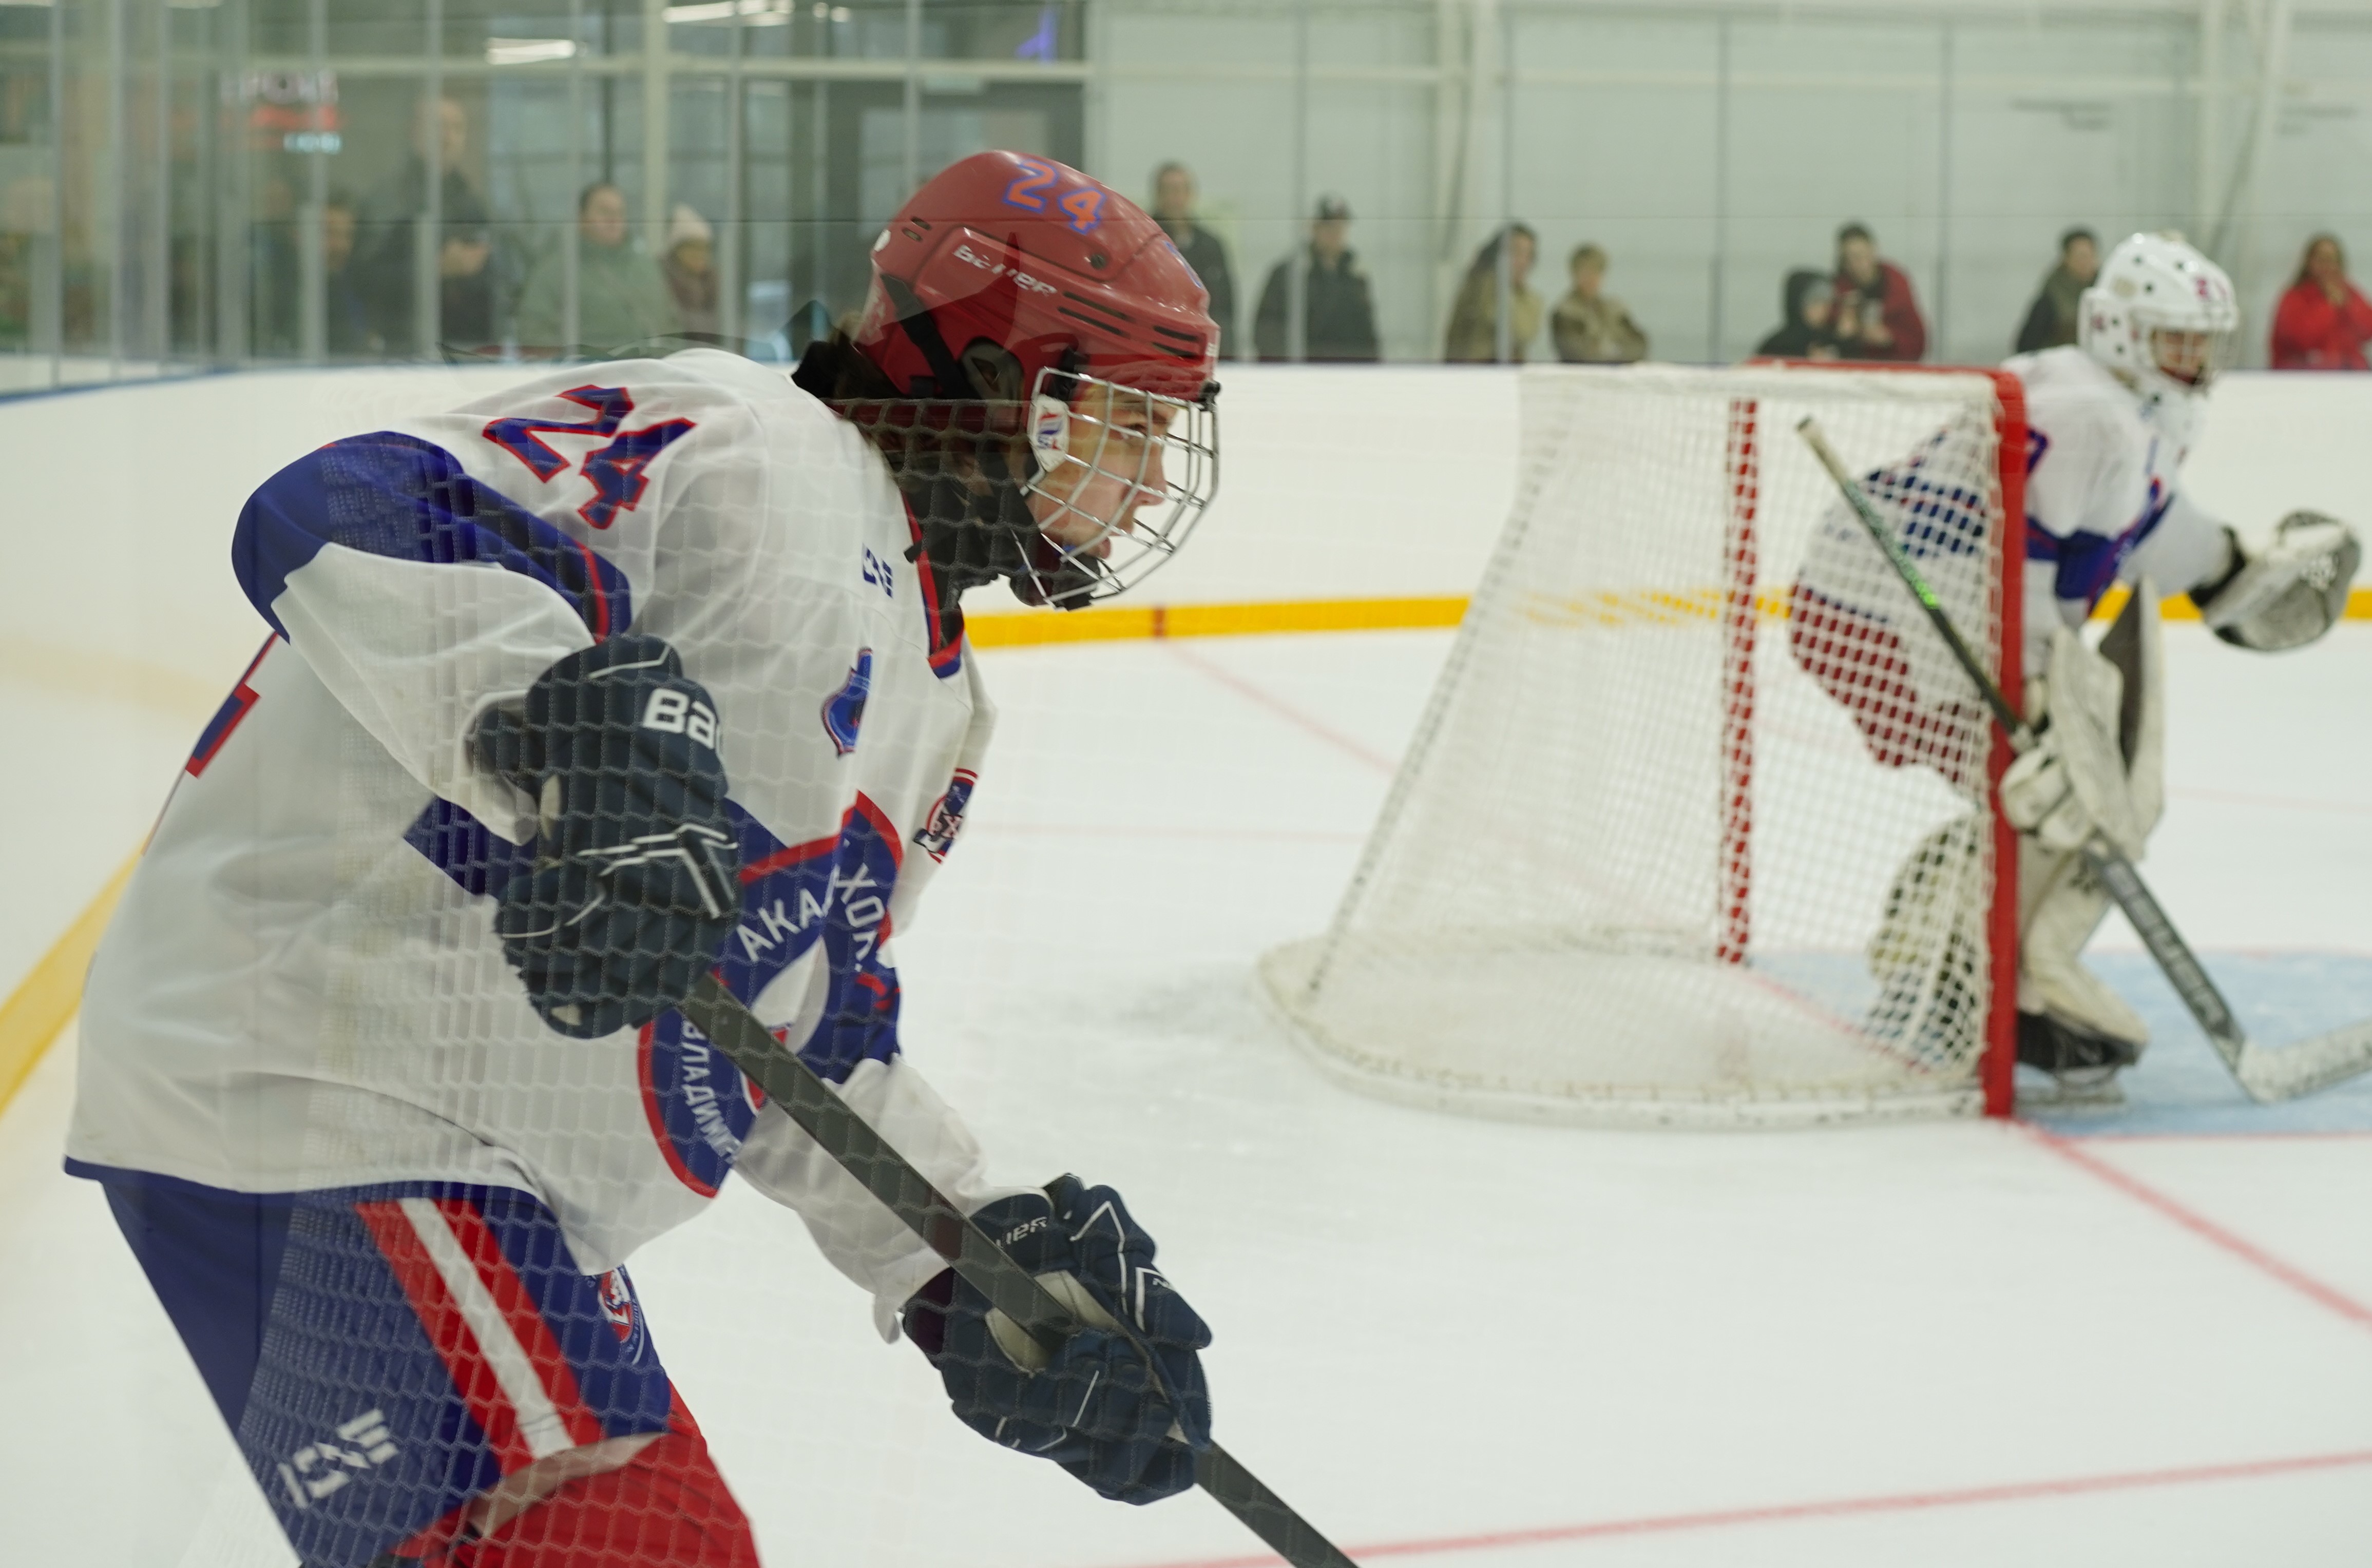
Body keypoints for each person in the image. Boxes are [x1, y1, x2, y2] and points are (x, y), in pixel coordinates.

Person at [69, 149, 1226, 1567]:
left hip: (485, 1179)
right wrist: (580, 736)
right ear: (1004, 381)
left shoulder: (943, 706)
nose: (1150, 470)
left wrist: (966, 1255)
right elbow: (351, 500)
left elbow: (795, 1023)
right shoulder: (745, 436)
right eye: (1120, 418)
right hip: (330, 1090)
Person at [1787, 231, 2359, 1097]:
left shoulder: (2136, 410)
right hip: (1886, 614)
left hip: (1892, 605)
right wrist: (2037, 691)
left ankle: (1942, 964)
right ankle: (2008, 985)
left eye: (2205, 341)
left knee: (2051, 789)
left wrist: (2229, 571)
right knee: (2066, 795)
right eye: (2174, 338)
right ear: (2120, 330)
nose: (2194, 358)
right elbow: (2026, 560)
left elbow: (2148, 528)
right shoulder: (2089, 409)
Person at [354, 96, 498, 355]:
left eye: (457, 128)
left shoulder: (471, 201)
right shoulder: (387, 200)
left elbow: (497, 278)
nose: (448, 136)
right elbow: (366, 279)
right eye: (438, 126)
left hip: (465, 344)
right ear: (415, 133)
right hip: (403, 344)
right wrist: (434, 268)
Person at [515, 182, 681, 355]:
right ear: (582, 217)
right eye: (604, 211)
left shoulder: (647, 268)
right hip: (584, 376)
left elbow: (672, 325)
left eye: (619, 212)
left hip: (647, 374)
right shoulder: (555, 272)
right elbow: (534, 335)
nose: (613, 219)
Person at [1253, 194, 1380, 362]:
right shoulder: (1288, 275)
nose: (1335, 234)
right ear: (1314, 228)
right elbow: (1267, 330)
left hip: (1348, 374)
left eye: (1340, 227)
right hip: (1302, 374)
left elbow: (1367, 335)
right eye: (1328, 227)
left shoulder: (1356, 278)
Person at [1150, 161, 1236, 358]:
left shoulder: (1211, 246)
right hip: (1157, 347)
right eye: (1169, 191)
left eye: (1181, 190)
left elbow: (1225, 307)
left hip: (1201, 348)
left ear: (1191, 195)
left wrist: (1227, 352)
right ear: (1158, 195)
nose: (1175, 198)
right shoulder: (1144, 242)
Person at [2270, 233, 2372, 370]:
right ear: (2310, 262)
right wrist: (2329, 305)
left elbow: (2368, 329)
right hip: (2303, 377)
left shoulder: (2348, 292)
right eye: (2323, 260)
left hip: (2348, 376)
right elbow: (2302, 339)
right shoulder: (2294, 297)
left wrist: (2347, 305)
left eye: (2333, 260)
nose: (2328, 266)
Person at [1442, 223, 1540, 363]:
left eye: (1528, 255)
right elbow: (1518, 328)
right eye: (1516, 253)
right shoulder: (1483, 289)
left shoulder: (1528, 298)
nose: (1523, 262)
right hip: (1475, 374)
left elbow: (1527, 332)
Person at [1829, 222, 1925, 362]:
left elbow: (1918, 340)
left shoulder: (1897, 287)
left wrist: (1890, 339)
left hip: (1892, 368)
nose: (1858, 264)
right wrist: (1842, 334)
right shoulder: (1837, 292)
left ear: (1873, 250)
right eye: (1850, 258)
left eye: (1862, 255)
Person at [1548, 243, 1647, 364]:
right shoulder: (1565, 313)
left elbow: (1639, 345)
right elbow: (1576, 352)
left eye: (1596, 272)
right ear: (1574, 274)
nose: (1591, 278)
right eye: (1586, 272)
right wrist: (1613, 351)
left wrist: (1612, 353)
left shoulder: (1615, 309)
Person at [2014, 227, 2098, 354]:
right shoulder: (2051, 297)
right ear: (2066, 259)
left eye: (2090, 256)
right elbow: (2026, 345)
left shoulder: (2104, 291)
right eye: (2081, 256)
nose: (2086, 263)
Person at [662, 203, 720, 340]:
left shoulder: (712, 282)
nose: (700, 255)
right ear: (677, 250)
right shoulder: (662, 280)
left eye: (704, 248)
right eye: (693, 247)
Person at [1755, 268, 1842, 360]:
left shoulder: (1835, 340)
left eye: (1828, 302)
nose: (1824, 308)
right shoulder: (1778, 345)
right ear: (1798, 304)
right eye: (1816, 302)